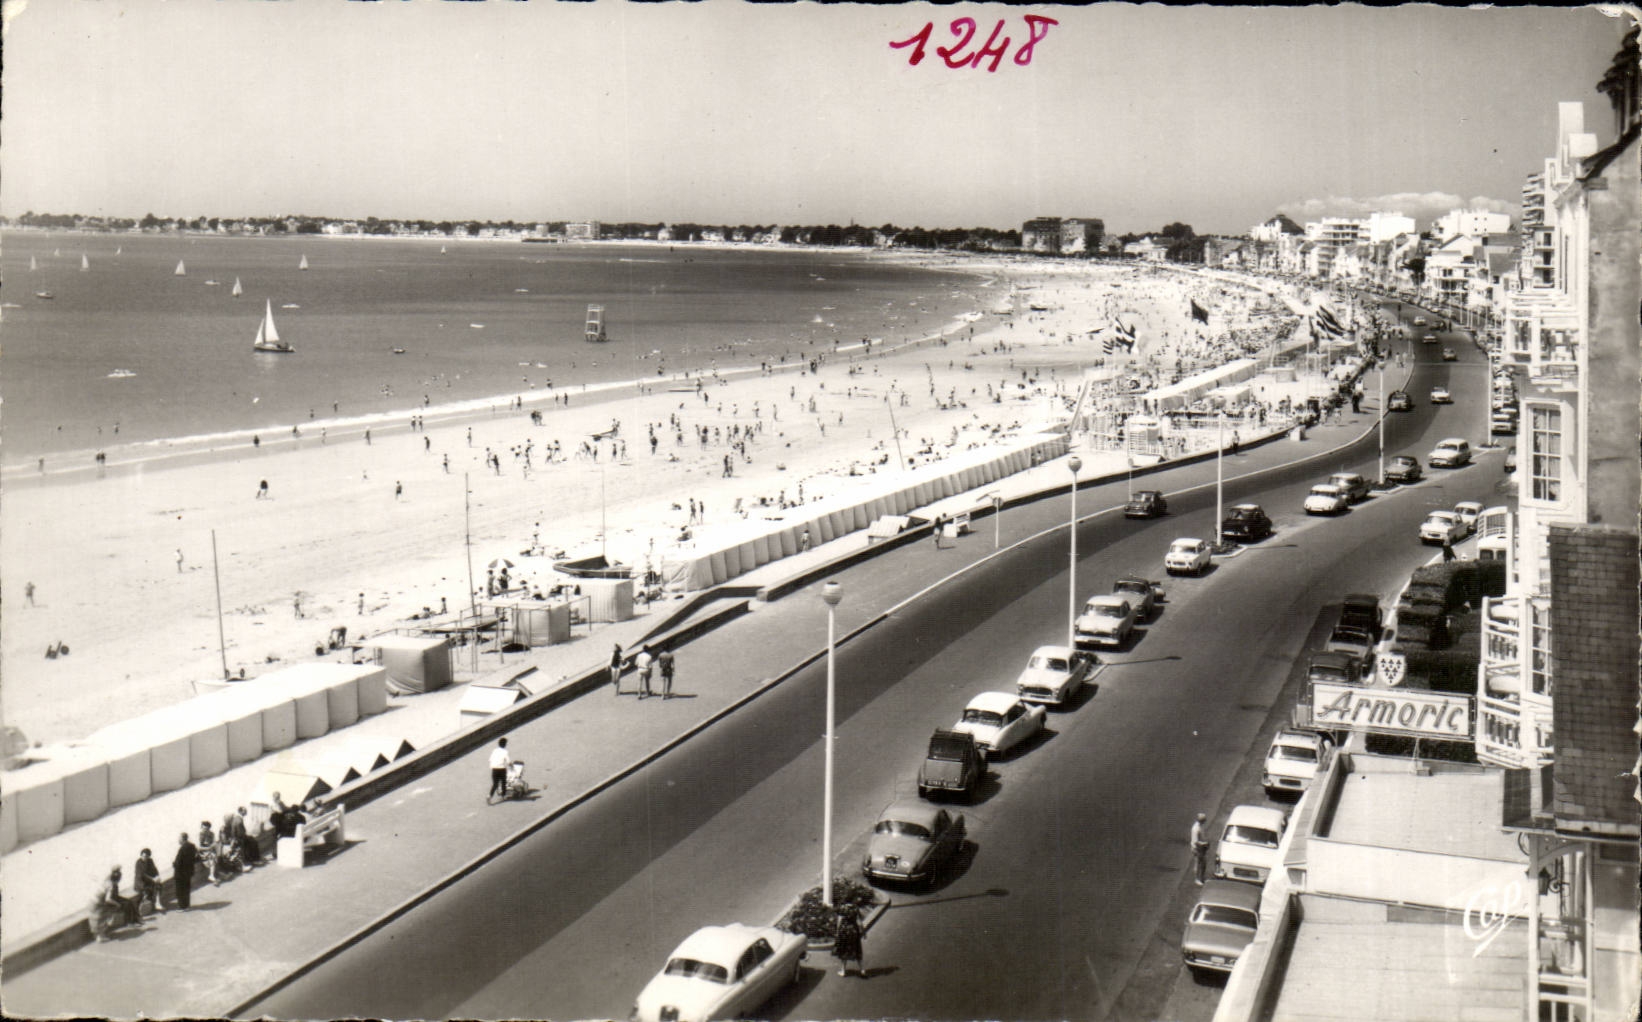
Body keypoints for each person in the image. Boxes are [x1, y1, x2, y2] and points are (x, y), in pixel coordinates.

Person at [833, 903, 865, 978]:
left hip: (844, 931)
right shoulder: (855, 908)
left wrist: (837, 932)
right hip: (854, 930)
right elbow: (859, 922)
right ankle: (862, 970)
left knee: (844, 950)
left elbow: (839, 921)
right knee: (857, 949)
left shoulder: (842, 908)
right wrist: (863, 932)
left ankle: (843, 970)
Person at [172, 832, 198, 910]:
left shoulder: (182, 848)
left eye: (179, 838)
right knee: (186, 890)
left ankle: (182, 907)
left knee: (180, 891)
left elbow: (177, 863)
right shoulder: (192, 846)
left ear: (183, 839)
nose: (178, 840)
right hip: (188, 872)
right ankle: (187, 906)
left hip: (180, 874)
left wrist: (173, 864)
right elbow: (196, 857)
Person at [133, 848, 164, 916]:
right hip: (140, 882)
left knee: (159, 885)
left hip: (148, 881)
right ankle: (143, 908)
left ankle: (157, 903)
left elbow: (154, 869)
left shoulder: (150, 861)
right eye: (143, 856)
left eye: (146, 856)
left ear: (148, 856)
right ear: (141, 855)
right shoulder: (138, 863)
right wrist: (152, 879)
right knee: (147, 890)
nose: (144, 858)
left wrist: (157, 876)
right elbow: (142, 874)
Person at [487, 737, 512, 804]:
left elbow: (490, 759)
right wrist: (511, 766)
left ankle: (489, 796)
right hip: (501, 769)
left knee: (495, 784)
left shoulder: (494, 750)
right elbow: (508, 762)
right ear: (505, 744)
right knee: (504, 782)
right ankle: (503, 795)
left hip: (494, 769)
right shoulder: (505, 752)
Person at [1191, 813, 1210, 885]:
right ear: (1201, 820)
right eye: (1204, 820)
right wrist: (1204, 843)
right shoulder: (1195, 828)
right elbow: (1195, 841)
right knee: (1198, 864)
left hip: (1201, 848)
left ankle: (1202, 878)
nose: (1205, 821)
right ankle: (1196, 879)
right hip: (1197, 849)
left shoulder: (1200, 826)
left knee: (1203, 864)